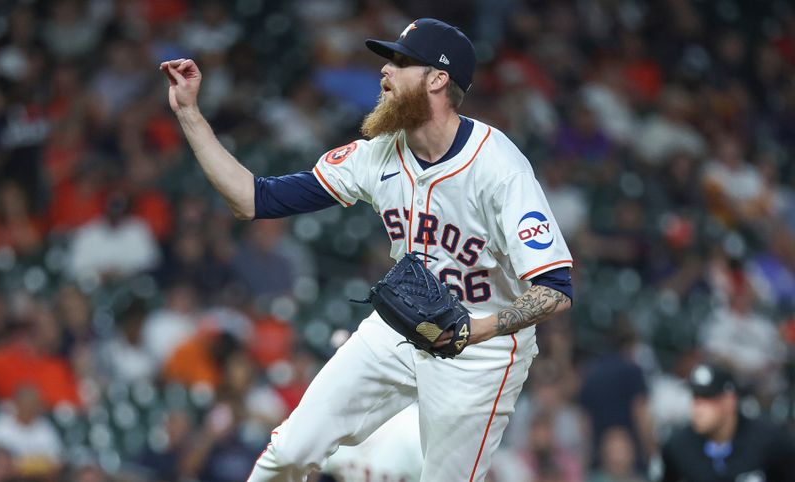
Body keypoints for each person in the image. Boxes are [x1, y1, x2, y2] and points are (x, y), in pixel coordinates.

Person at [160, 17, 573, 481]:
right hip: (400, 328)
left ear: (438, 79)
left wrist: (475, 331)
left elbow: (555, 289)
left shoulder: (499, 169)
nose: (385, 72)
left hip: (484, 351)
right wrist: (190, 115)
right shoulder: (377, 154)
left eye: (401, 62)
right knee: (291, 451)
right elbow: (254, 199)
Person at [660, 363, 795, 482]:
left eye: (707, 398)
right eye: (695, 398)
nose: (697, 408)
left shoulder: (770, 440)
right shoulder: (678, 445)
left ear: (729, 401)